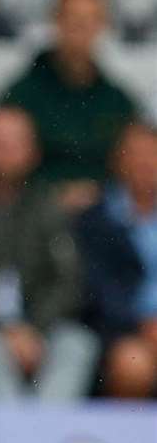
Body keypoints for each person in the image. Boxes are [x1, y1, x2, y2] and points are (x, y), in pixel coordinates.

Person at [0, 106, 100, 400]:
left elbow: (67, 279)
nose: (2, 153)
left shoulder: (48, 204)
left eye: (11, 145)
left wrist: (34, 330)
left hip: (40, 326)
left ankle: (44, 434)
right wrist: (6, 330)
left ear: (32, 151)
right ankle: (10, 435)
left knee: (78, 344)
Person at [1, 0, 137, 209]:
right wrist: (53, 195)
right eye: (73, 19)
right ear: (56, 22)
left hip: (104, 210)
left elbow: (133, 162)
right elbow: (4, 164)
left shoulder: (117, 99)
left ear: (102, 27)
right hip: (32, 210)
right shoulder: (22, 94)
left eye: (90, 20)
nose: (80, 28)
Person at [74, 121, 157, 398]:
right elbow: (96, 290)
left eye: (152, 153)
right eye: (136, 153)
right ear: (117, 161)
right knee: (133, 367)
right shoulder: (94, 221)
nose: (145, 163)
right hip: (123, 334)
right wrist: (143, 326)